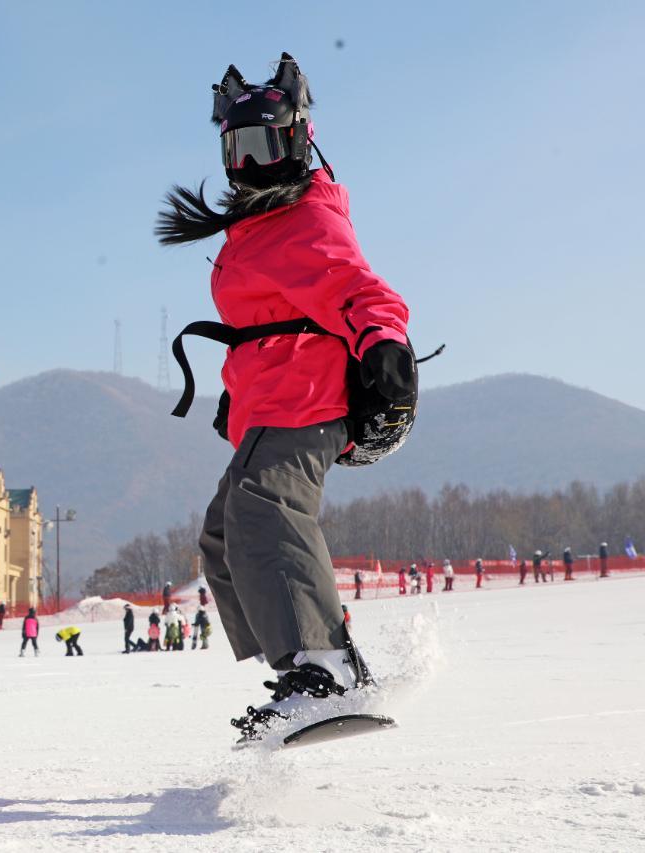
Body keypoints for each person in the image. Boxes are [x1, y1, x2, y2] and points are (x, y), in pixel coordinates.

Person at [160, 53, 412, 738]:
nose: (249, 164)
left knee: (265, 505)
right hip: (269, 402)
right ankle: (300, 664)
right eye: (236, 149)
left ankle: (326, 665)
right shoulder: (258, 227)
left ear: (298, 138)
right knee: (222, 536)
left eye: (264, 144)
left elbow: (363, 292)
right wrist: (233, 387)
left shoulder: (307, 218)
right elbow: (265, 320)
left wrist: (387, 348)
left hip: (306, 399)